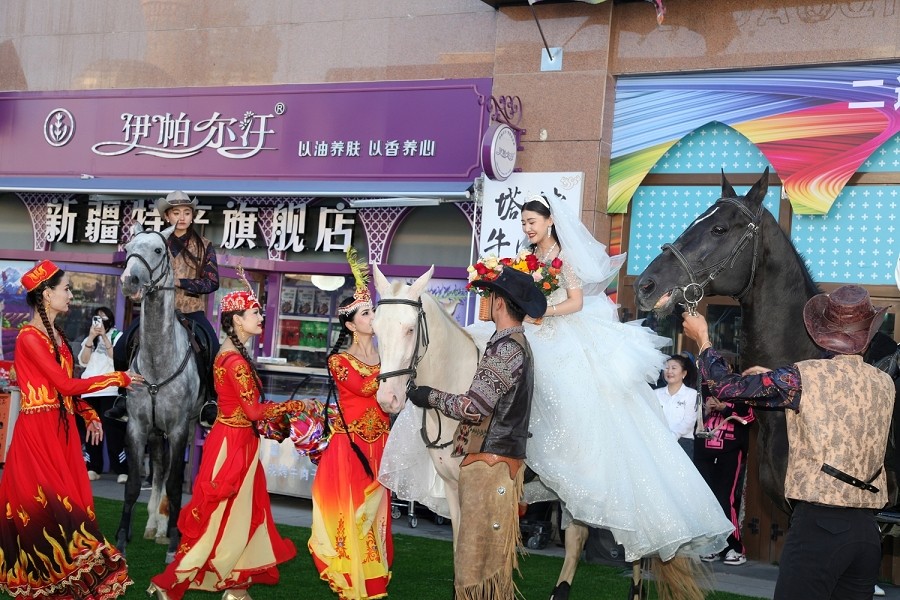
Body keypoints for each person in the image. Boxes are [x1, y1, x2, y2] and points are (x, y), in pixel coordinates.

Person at [486, 194, 731, 593]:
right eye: (524, 222)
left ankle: (570, 453)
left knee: (567, 385)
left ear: (549, 222)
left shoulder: (564, 259)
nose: (528, 228)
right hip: (534, 327)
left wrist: (542, 312)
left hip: (561, 329)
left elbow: (576, 302)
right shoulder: (525, 257)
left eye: (533, 221)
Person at [682, 284, 894, 600]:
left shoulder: (803, 378)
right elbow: (837, 401)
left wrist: (703, 340)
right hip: (867, 534)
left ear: (823, 334)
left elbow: (725, 387)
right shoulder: (884, 381)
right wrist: (772, 379)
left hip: (820, 529)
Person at [0, 260, 141, 598]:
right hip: (38, 432)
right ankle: (45, 574)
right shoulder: (29, 338)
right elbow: (64, 384)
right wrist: (117, 378)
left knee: (70, 499)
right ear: (47, 295)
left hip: (59, 429)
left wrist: (88, 412)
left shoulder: (57, 336)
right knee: (49, 505)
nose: (70, 295)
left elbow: (65, 388)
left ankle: (66, 569)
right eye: (65, 289)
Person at [149, 284, 299, 600]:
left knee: (237, 514)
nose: (261, 317)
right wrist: (294, 406)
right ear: (236, 320)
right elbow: (254, 411)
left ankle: (236, 587)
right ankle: (172, 581)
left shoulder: (227, 353)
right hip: (234, 445)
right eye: (255, 312)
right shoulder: (236, 361)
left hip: (233, 439)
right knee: (219, 517)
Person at [408, 266, 546, 599]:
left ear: (499, 303)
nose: (488, 302)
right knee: (486, 558)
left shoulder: (506, 349)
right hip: (496, 461)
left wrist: (430, 396)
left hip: (490, 464)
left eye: (491, 296)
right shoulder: (512, 345)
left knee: (476, 559)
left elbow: (474, 407)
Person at [309, 260, 393, 600]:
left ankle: (373, 576)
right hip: (350, 447)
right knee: (353, 510)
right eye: (366, 314)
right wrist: (394, 370)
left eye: (373, 312)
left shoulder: (388, 358)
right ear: (350, 324)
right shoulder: (339, 361)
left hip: (381, 443)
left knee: (376, 512)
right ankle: (351, 576)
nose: (373, 318)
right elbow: (364, 387)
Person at [108, 191, 220, 425]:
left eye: (187, 212)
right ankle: (122, 396)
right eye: (176, 212)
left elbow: (212, 282)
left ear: (192, 216)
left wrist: (179, 282)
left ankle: (210, 401)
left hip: (191, 311)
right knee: (121, 346)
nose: (182, 217)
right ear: (167, 216)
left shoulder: (205, 246)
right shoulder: (151, 242)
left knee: (214, 350)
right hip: (155, 313)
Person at [694, 381, 755, 566]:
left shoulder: (740, 389)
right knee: (704, 500)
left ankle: (733, 548)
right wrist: (705, 410)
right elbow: (690, 421)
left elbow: (749, 417)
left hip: (729, 453)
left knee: (724, 499)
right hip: (703, 453)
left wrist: (725, 408)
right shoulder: (701, 389)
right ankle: (711, 545)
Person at [78, 306, 128, 483]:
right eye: (97, 318)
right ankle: (93, 467)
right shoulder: (89, 337)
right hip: (89, 391)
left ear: (111, 321)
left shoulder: (118, 336)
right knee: (92, 429)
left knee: (113, 431)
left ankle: (122, 469)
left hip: (110, 389)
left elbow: (118, 359)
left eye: (104, 318)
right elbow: (83, 361)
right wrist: (92, 337)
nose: (100, 322)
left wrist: (105, 337)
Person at [654, 354, 698, 458]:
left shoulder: (691, 394)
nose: (669, 371)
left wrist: (673, 435)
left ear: (684, 373)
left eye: (674, 368)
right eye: (666, 368)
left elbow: (689, 421)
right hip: (658, 441)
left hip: (682, 442)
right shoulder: (656, 393)